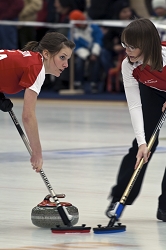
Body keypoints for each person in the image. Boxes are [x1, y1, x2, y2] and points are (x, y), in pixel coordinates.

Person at [106, 18, 166, 222]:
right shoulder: (128, 65)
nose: (127, 50)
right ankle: (119, 198)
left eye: (132, 46)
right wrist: (142, 142)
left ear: (147, 43)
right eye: (125, 45)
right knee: (143, 147)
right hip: (153, 92)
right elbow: (134, 105)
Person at [0, 32, 75, 173]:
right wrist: (37, 152)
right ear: (46, 54)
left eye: (68, 59)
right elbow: (28, 116)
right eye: (62, 58)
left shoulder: (31, 60)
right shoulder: (36, 67)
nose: (66, 65)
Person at [69, 10, 104, 93]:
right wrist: (87, 55)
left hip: (95, 49)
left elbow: (98, 40)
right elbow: (74, 45)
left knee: (97, 61)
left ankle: (94, 82)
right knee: (79, 62)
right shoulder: (73, 31)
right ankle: (78, 82)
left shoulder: (93, 27)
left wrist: (94, 53)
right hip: (81, 52)